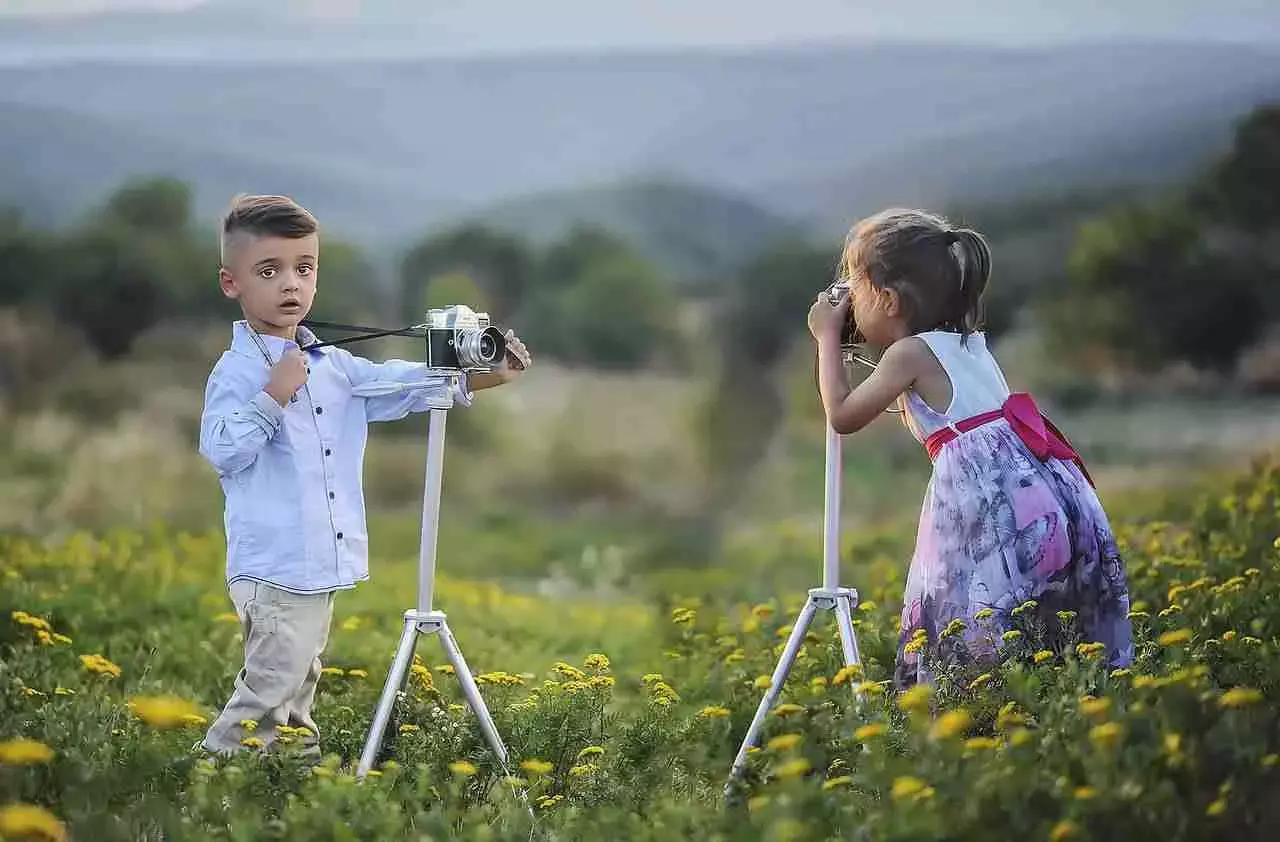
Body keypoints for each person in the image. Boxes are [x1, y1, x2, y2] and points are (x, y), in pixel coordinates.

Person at [198, 194, 532, 755]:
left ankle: (288, 780)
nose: (291, 285)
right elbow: (222, 450)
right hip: (275, 564)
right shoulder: (237, 370)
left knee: (298, 684)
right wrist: (273, 395)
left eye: (304, 270)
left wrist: (486, 375)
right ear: (232, 284)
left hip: (316, 563)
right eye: (269, 271)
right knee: (270, 689)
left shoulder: (335, 364)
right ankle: (206, 778)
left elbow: (401, 384)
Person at [807, 208, 1131, 687]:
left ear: (890, 299)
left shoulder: (909, 354)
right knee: (1035, 619)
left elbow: (843, 415)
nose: (850, 300)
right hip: (1045, 496)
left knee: (966, 612)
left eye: (856, 286)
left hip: (988, 510)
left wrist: (826, 337)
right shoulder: (968, 342)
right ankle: (1054, 699)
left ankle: (970, 712)